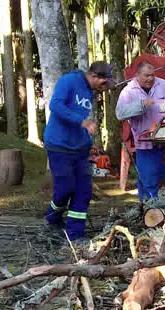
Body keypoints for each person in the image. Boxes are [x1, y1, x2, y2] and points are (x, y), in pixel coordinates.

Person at [43, 61, 116, 242]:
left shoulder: (89, 93)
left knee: (84, 191)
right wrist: (81, 122)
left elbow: (83, 120)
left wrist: (88, 143)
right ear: (94, 76)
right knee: (65, 187)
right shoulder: (68, 81)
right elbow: (56, 105)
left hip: (79, 149)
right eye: (103, 83)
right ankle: (52, 217)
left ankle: (75, 235)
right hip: (59, 145)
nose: (104, 88)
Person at [116, 62, 165, 202]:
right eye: (146, 76)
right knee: (148, 183)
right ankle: (149, 209)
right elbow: (120, 113)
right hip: (145, 141)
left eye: (152, 75)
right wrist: (141, 105)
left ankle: (162, 173)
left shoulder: (164, 85)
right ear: (137, 75)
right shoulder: (128, 91)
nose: (150, 79)